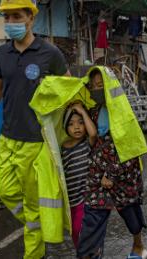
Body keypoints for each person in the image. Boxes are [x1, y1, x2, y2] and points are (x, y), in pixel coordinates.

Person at [0, 1, 71, 258]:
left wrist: (73, 126)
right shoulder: (3, 53)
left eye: (17, 16)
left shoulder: (50, 53)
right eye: (7, 17)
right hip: (8, 136)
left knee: (32, 200)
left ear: (31, 19)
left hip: (35, 141)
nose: (12, 22)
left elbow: (67, 88)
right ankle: (36, 222)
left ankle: (34, 250)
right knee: (4, 191)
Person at [77, 68, 147, 259]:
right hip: (97, 176)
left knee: (130, 213)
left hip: (122, 175)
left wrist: (112, 174)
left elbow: (131, 149)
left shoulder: (123, 113)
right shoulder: (93, 111)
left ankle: (138, 245)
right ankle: (90, 255)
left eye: (100, 85)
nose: (96, 90)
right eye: (93, 86)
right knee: (92, 215)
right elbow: (92, 139)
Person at [61, 103, 97, 248]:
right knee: (75, 233)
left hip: (85, 198)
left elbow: (93, 133)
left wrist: (82, 111)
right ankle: (84, 254)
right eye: (71, 124)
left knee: (80, 229)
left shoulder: (87, 143)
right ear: (65, 127)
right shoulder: (62, 147)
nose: (76, 127)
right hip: (71, 200)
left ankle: (87, 252)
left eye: (81, 123)